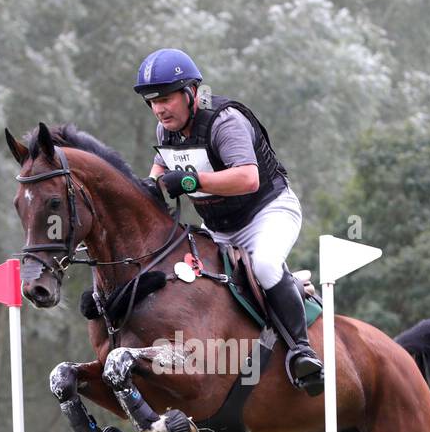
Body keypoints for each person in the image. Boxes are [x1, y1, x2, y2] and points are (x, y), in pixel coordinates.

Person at [133, 48, 324, 396]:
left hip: (267, 213)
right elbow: (158, 175)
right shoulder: (166, 133)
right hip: (220, 228)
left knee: (265, 265)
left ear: (191, 93)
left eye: (165, 99)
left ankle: (301, 350)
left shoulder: (224, 120)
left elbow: (247, 178)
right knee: (190, 277)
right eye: (151, 102)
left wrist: (192, 182)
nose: (159, 109)